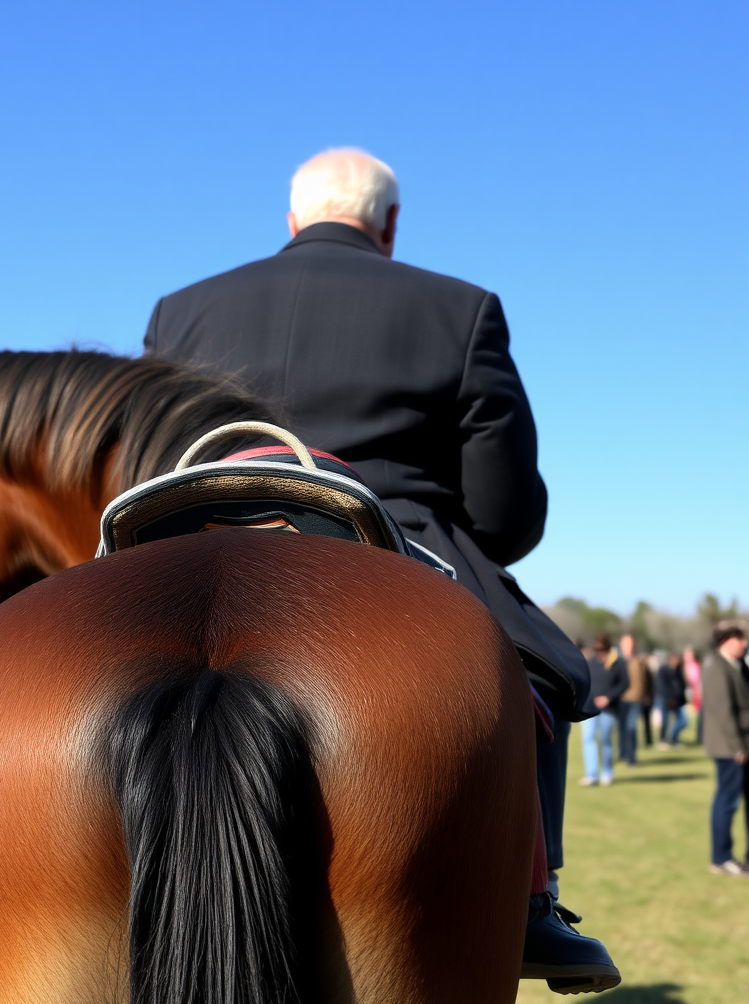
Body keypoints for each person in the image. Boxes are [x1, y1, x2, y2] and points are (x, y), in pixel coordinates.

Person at [144, 148, 617, 992]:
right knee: (537, 675)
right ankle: (531, 903)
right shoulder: (461, 309)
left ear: (290, 220)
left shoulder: (180, 310)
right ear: (392, 224)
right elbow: (507, 516)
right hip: (394, 540)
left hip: (199, 544)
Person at [701, 620, 749, 877]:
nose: (744, 643)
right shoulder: (717, 667)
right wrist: (737, 747)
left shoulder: (737, 665)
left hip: (741, 743)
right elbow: (724, 712)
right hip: (729, 748)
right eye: (740, 638)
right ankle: (721, 858)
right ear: (727, 641)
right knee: (727, 802)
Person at [578, 635, 630, 786]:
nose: (599, 652)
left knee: (606, 740)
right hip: (589, 707)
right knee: (588, 738)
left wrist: (608, 697)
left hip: (609, 708)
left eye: (602, 649)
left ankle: (607, 772)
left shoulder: (617, 663)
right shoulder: (590, 662)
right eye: (597, 649)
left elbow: (625, 683)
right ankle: (592, 774)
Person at [617, 634, 650, 765]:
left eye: (630, 644)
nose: (629, 647)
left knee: (631, 727)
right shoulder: (617, 661)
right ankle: (622, 753)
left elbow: (648, 680)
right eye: (626, 644)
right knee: (622, 728)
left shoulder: (640, 661)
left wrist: (647, 695)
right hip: (620, 699)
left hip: (635, 698)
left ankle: (631, 756)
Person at [655, 653, 688, 748]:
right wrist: (669, 698)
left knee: (682, 720)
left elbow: (682, 685)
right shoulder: (664, 670)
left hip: (678, 700)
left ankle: (674, 739)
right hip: (667, 699)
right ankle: (663, 740)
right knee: (665, 720)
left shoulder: (678, 671)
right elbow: (662, 686)